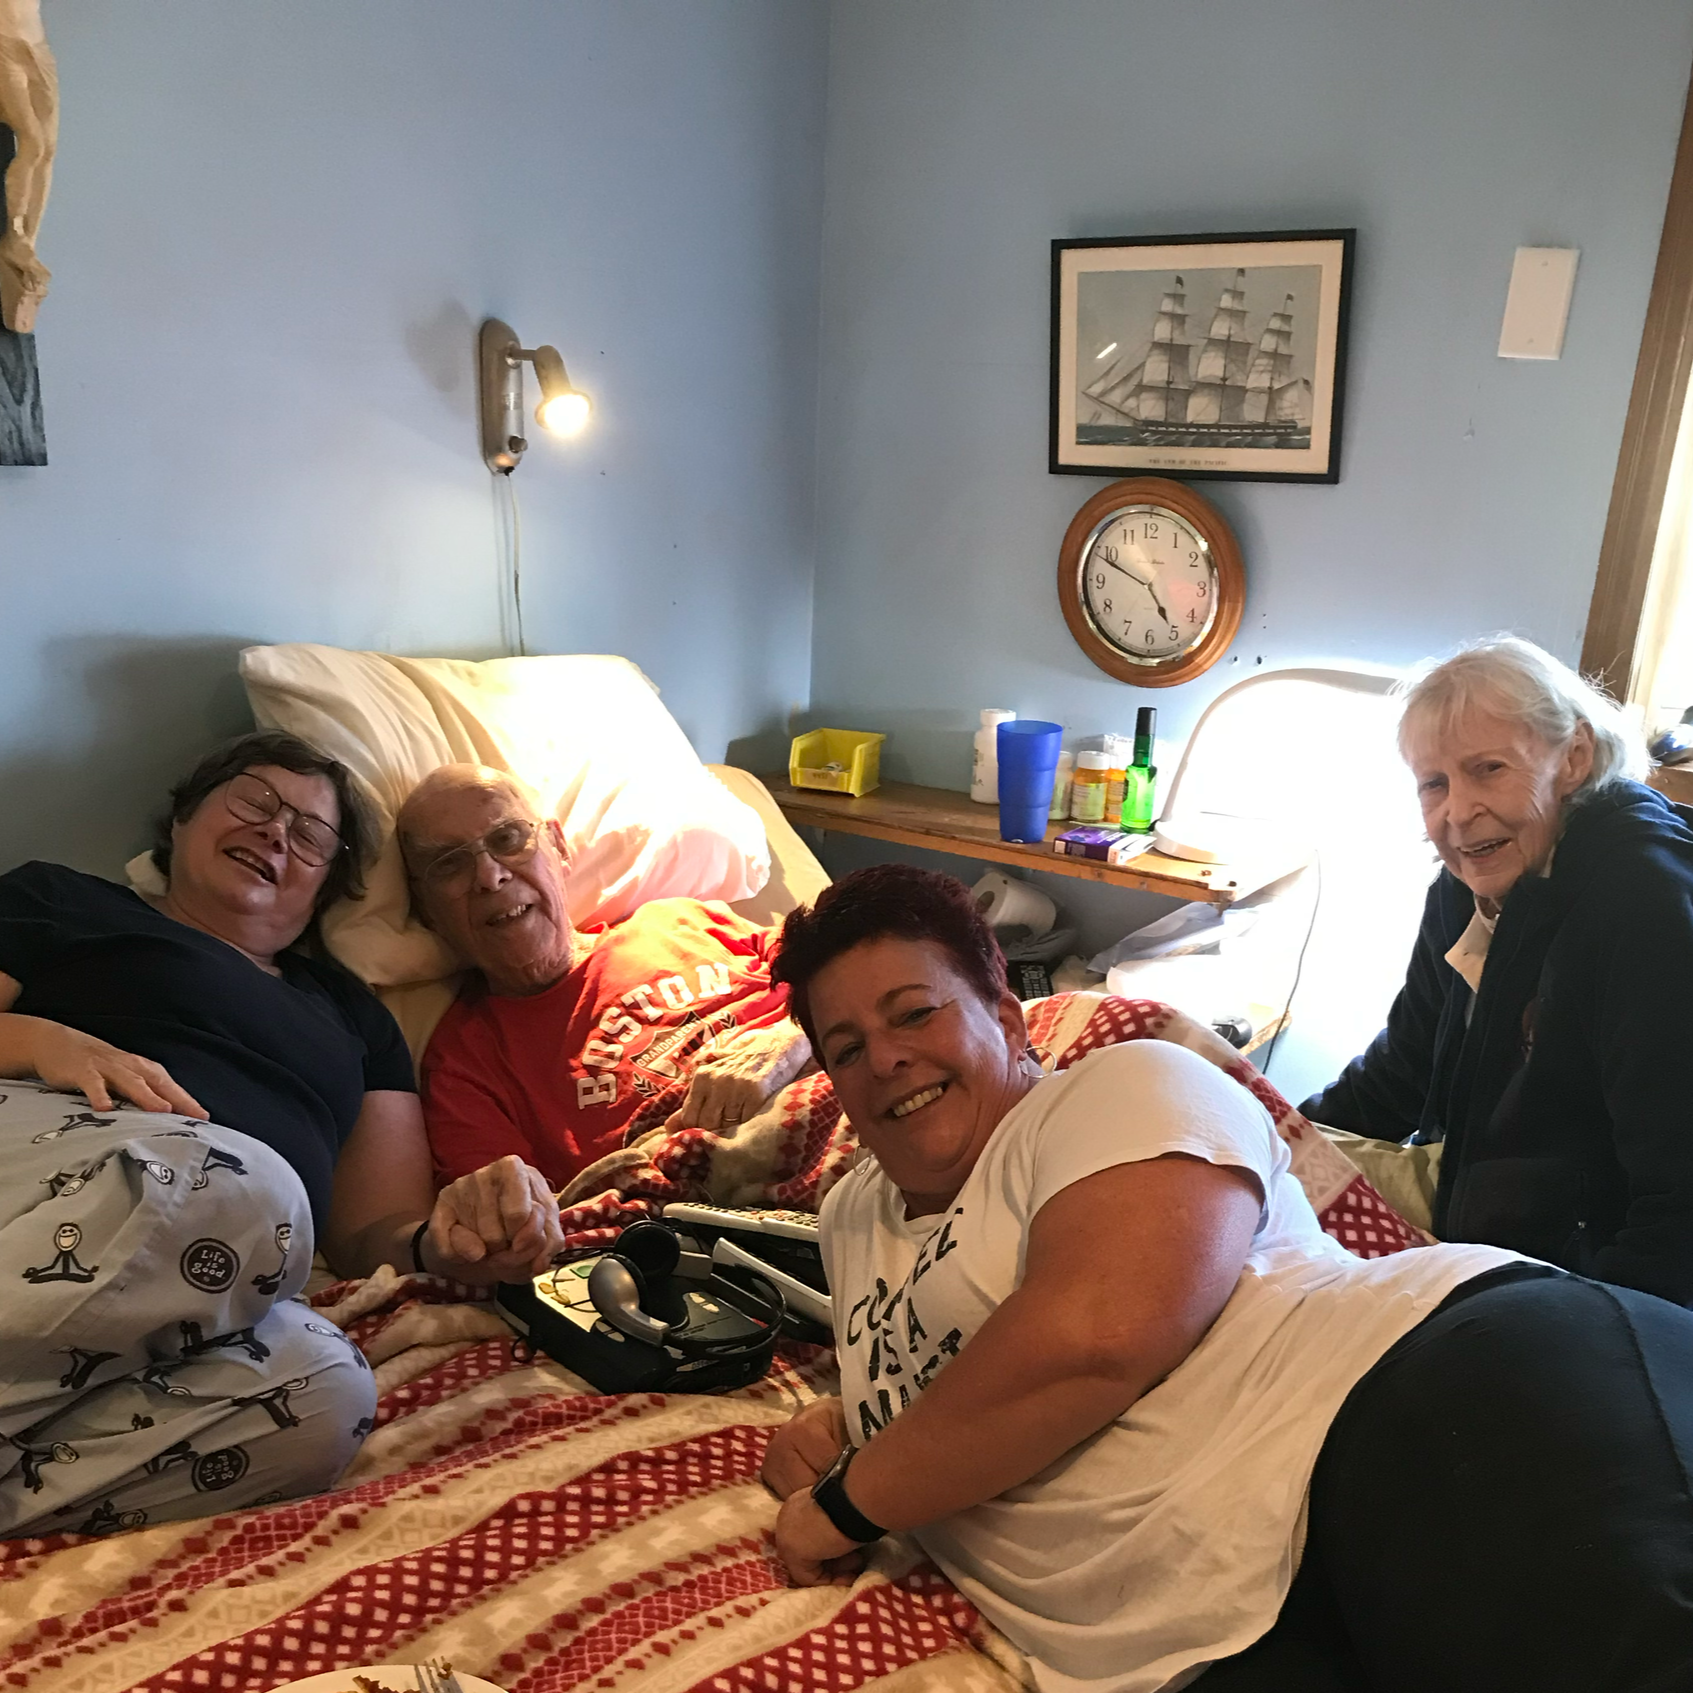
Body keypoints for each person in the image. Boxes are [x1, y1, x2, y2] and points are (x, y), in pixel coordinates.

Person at [760, 863, 1693, 1693]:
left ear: (1005, 1017)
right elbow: (962, 1370)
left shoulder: (1120, 1086)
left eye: (914, 1012)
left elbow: (1097, 1336)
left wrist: (846, 1502)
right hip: (1210, 1632)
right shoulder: (851, 1216)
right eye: (844, 1047)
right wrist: (843, 1423)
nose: (883, 1057)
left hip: (1410, 1408)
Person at [0, 731, 562, 1538]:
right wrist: (43, 1042)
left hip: (220, 1256)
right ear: (186, 817)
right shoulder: (64, 900)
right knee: (244, 1188)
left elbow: (373, 1236)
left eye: (310, 835)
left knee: (324, 1388)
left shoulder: (354, 1016)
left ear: (326, 884)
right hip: (46, 1154)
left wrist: (455, 1242)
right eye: (256, 801)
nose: (276, 832)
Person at [1300, 635, 1693, 1304]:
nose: (1456, 811)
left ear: (1572, 757)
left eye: (1487, 769)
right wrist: (1269, 1137)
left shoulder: (1642, 902)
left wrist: (1583, 1332)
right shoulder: (1465, 887)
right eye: (1433, 782)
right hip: (1484, 1210)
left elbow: (1677, 1203)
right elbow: (1401, 1073)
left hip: (1593, 1268)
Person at [397, 764, 812, 1193]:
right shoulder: (465, 1064)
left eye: (507, 839)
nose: (490, 876)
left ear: (558, 845)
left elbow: (847, 974)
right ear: (426, 908)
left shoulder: (680, 919)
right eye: (449, 865)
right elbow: (516, 1222)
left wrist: (790, 1038)